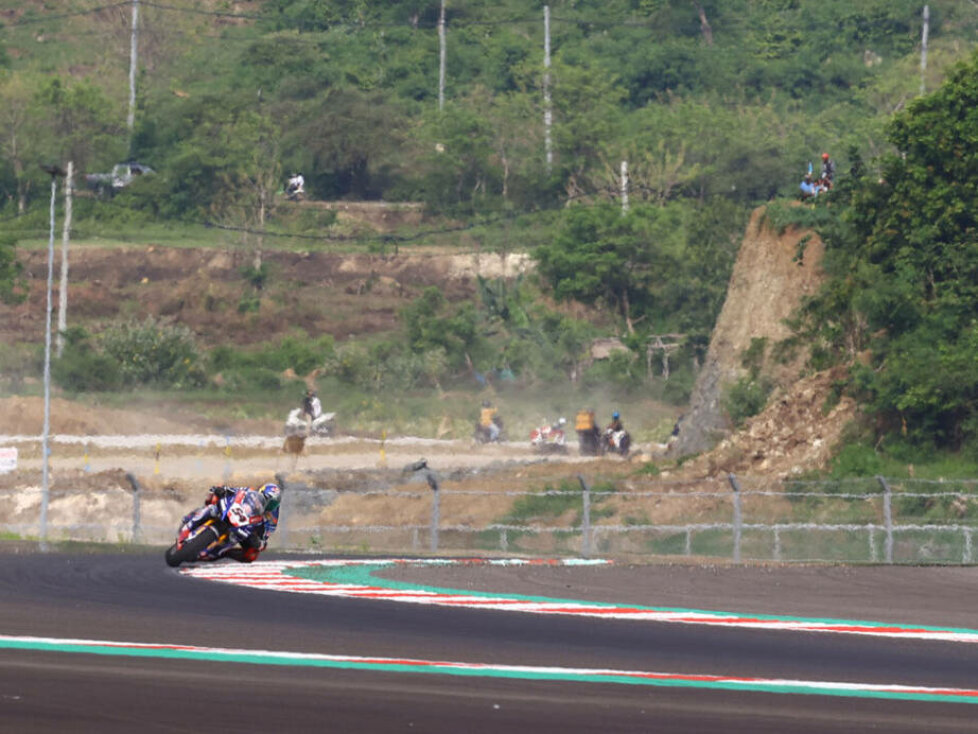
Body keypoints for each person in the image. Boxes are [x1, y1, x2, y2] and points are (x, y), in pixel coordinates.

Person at [180, 482, 281, 563]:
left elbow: (265, 537)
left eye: (273, 503)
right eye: (267, 500)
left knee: (251, 555)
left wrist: (258, 542)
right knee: (214, 498)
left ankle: (224, 553)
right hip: (236, 512)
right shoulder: (251, 491)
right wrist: (223, 490)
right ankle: (193, 518)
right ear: (261, 492)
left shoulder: (272, 516)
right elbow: (237, 491)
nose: (269, 504)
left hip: (246, 528)